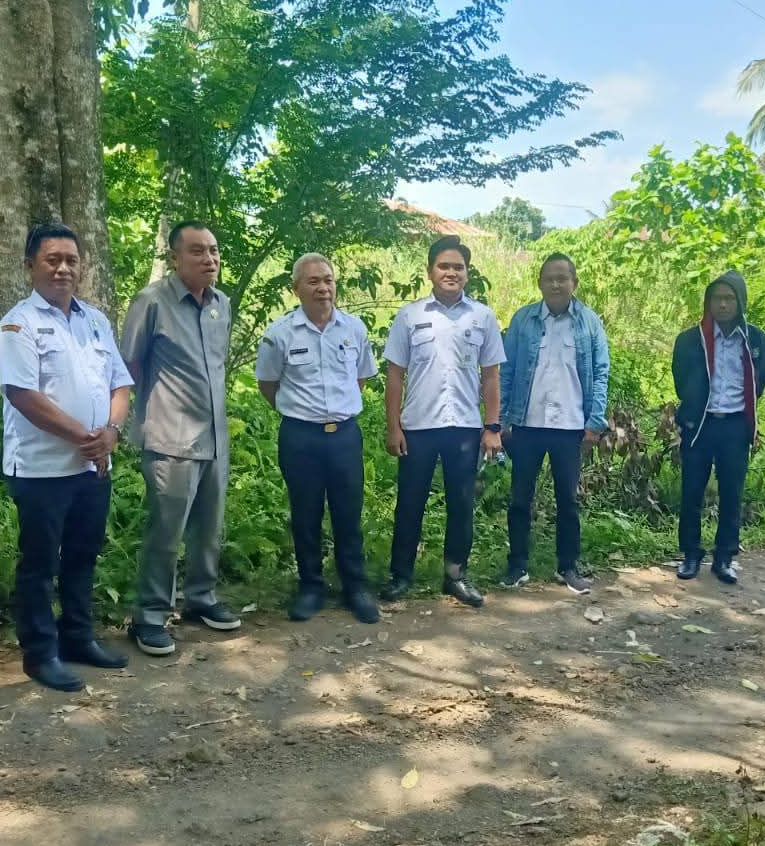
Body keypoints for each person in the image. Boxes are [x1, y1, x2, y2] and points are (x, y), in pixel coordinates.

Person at [0, 223, 134, 692]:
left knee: (82, 556)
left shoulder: (95, 320)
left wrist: (111, 433)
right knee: (39, 564)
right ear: (30, 265)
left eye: (71, 260)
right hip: (41, 469)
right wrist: (86, 437)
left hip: (93, 464)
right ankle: (40, 654)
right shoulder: (18, 325)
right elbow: (22, 394)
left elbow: (120, 383)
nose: (63, 268)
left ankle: (77, 637)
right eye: (52, 259)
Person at [119, 221, 242, 655]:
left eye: (213, 250)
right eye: (197, 251)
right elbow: (128, 365)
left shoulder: (220, 304)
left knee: (209, 528)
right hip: (171, 439)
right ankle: (150, 615)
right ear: (174, 258)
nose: (209, 259)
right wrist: (142, 416)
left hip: (215, 438)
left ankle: (201, 599)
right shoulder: (152, 301)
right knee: (166, 533)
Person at [381, 235, 507, 608]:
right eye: (444, 266)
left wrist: (492, 426)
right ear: (430, 271)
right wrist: (393, 427)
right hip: (417, 428)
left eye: (458, 267)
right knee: (410, 503)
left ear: (468, 273)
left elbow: (491, 376)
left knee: (461, 505)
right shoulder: (410, 316)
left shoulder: (482, 317)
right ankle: (400, 576)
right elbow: (394, 376)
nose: (451, 272)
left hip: (464, 428)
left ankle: (456, 576)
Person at [255, 253, 381, 624]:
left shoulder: (353, 329)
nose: (323, 288)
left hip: (344, 436)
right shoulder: (279, 334)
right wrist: (301, 411)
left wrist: (335, 410)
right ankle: (310, 587)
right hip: (300, 437)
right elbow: (268, 384)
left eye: (328, 280)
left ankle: (354, 586)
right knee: (305, 514)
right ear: (296, 289)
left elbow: (360, 378)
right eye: (313, 281)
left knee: (348, 513)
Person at [498, 252, 610, 595]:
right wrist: (501, 420)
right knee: (520, 499)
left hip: (570, 426)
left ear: (574, 283)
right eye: (550, 278)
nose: (556, 284)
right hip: (527, 424)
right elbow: (506, 371)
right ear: (540, 283)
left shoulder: (589, 322)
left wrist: (595, 421)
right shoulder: (523, 320)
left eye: (563, 278)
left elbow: (601, 373)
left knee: (568, 501)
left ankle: (568, 567)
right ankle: (517, 565)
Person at [670, 270, 765, 584]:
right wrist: (693, 407)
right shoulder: (690, 340)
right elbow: (681, 380)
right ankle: (690, 554)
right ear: (708, 302)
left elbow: (759, 380)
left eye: (729, 298)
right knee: (691, 492)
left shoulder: (757, 340)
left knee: (732, 493)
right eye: (717, 298)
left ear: (741, 302)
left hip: (735, 427)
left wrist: (743, 416)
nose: (723, 305)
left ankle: (725, 557)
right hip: (700, 424)